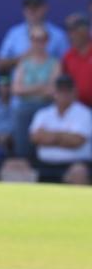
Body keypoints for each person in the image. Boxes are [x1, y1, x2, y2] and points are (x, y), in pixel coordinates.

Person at [29, 74, 91, 184]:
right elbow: (35, 138)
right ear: (55, 93)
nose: (64, 94)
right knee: (15, 167)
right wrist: (63, 136)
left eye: (67, 91)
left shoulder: (84, 113)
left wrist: (49, 136)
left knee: (79, 172)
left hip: (74, 163)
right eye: (60, 91)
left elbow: (76, 141)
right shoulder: (43, 113)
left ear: (74, 92)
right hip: (44, 162)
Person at [10, 24, 59, 160]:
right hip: (24, 109)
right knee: (22, 148)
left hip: (46, 108)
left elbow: (52, 90)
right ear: (30, 41)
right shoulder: (23, 63)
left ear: (47, 41)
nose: (38, 43)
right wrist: (41, 86)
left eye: (41, 39)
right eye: (34, 39)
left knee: (44, 146)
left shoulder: (55, 63)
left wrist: (28, 88)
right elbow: (16, 90)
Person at [0, 0, 68, 74]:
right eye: (28, 7)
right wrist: (23, 57)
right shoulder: (14, 34)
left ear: (45, 8)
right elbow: (0, 65)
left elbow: (67, 65)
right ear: (24, 10)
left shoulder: (58, 35)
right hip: (19, 85)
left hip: (50, 84)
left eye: (36, 7)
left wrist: (45, 59)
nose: (32, 11)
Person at [61, 12, 92, 108]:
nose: (71, 35)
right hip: (76, 108)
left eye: (75, 30)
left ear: (86, 30)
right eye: (69, 31)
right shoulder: (68, 56)